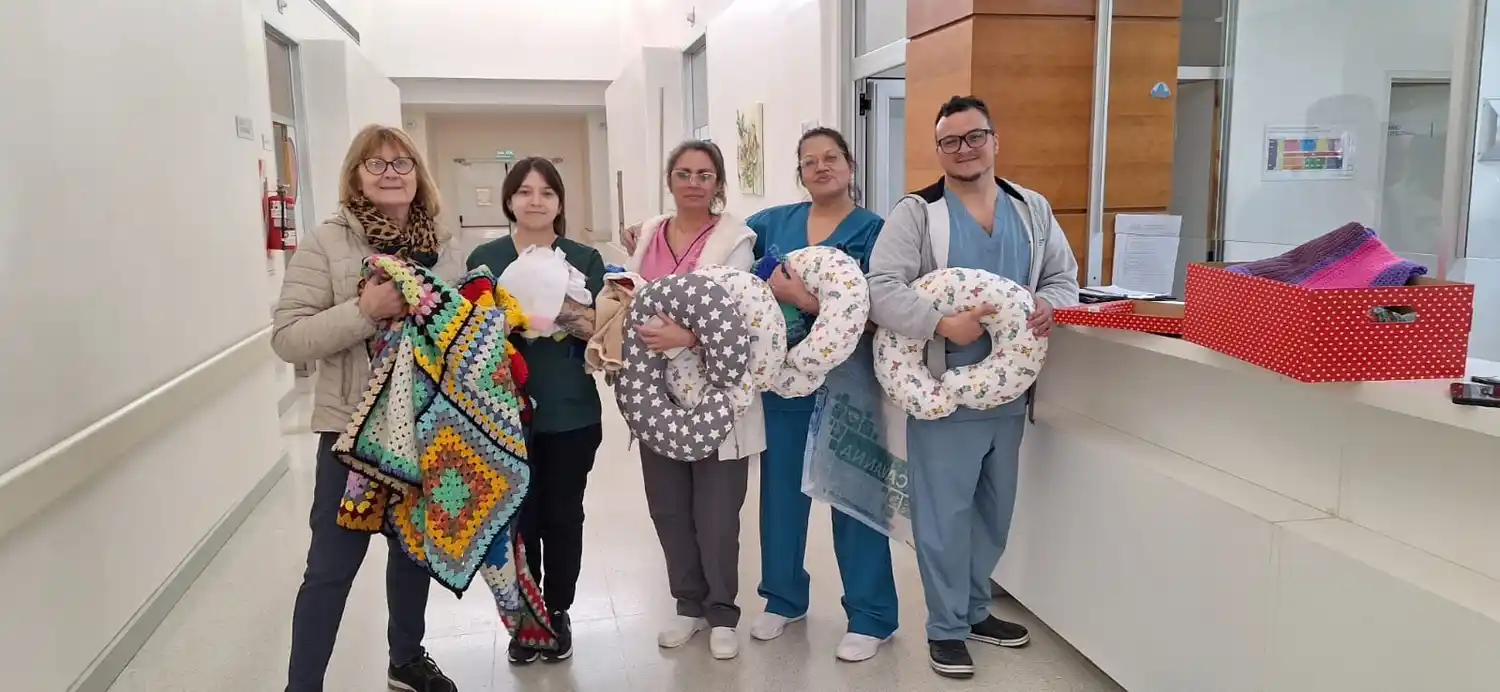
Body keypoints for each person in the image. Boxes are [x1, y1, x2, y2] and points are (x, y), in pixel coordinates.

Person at [865, 96, 1079, 680]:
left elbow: (1063, 278)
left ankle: (977, 608)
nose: (964, 149)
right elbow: (881, 286)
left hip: (1010, 391)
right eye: (950, 141)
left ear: (994, 139)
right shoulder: (917, 213)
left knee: (993, 509)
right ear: (938, 150)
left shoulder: (1032, 209)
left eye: (974, 136)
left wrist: (1049, 306)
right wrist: (940, 323)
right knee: (942, 512)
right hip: (941, 388)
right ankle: (946, 627)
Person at [273, 124, 465, 692]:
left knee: (413, 554)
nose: (390, 174)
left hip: (423, 427)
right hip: (351, 436)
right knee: (331, 569)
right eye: (376, 165)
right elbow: (289, 338)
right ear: (356, 175)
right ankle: (301, 685)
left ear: (418, 175)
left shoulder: (441, 242)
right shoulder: (328, 242)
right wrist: (364, 310)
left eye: (401, 164)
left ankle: (405, 659)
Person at [740, 127, 899, 663]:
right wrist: (648, 233)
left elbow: (884, 314)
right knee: (781, 494)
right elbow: (725, 259)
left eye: (831, 158)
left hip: (848, 380)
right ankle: (783, 598)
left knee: (854, 494)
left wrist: (806, 301)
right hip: (783, 380)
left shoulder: (877, 231)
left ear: (850, 166)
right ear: (800, 172)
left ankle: (871, 614)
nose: (821, 167)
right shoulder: (770, 224)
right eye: (810, 161)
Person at [622, 140, 764, 661]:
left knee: (718, 512)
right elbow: (627, 292)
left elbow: (746, 316)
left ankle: (723, 611)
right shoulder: (648, 234)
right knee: (669, 510)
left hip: (716, 393)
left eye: (705, 175)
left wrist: (687, 338)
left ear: (719, 183)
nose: (693, 183)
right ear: (670, 179)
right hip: (653, 392)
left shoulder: (735, 239)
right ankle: (688, 606)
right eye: (683, 173)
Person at [466, 157, 606, 666]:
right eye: (524, 192)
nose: (535, 201)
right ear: (508, 200)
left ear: (560, 202)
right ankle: (525, 617)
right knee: (518, 518)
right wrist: (513, 312)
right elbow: (472, 334)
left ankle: (559, 610)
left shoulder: (584, 258)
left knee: (563, 514)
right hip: (503, 415)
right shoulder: (487, 256)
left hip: (571, 412)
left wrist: (540, 306)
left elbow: (598, 326)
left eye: (546, 192)